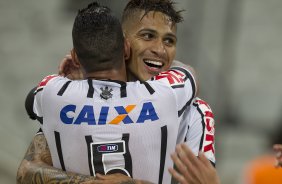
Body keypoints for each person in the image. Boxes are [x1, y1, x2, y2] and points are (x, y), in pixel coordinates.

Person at [17, 0, 216, 183]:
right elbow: (27, 170)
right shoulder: (64, 104)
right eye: (148, 36)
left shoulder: (195, 113)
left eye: (169, 41)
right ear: (124, 44)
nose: (160, 50)